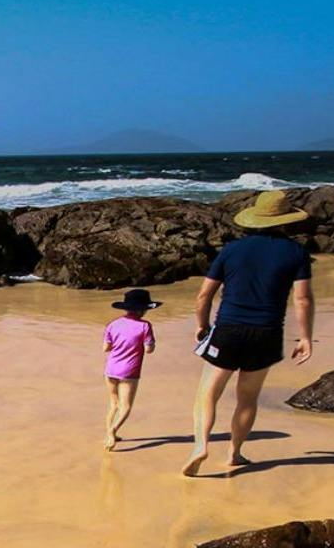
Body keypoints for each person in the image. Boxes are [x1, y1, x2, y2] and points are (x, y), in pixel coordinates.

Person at [183, 189, 316, 477]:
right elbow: (302, 298)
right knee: (247, 398)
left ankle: (200, 447)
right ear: (285, 220)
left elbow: (204, 295)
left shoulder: (231, 250)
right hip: (267, 334)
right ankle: (234, 453)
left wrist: (201, 325)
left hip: (229, 329)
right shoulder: (296, 252)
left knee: (207, 393)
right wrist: (305, 337)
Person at [102, 287, 158, 449]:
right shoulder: (145, 326)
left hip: (110, 369)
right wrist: (150, 343)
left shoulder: (113, 324)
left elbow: (106, 347)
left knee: (113, 404)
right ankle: (113, 431)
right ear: (142, 309)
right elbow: (149, 349)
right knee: (126, 406)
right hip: (130, 371)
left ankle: (109, 433)